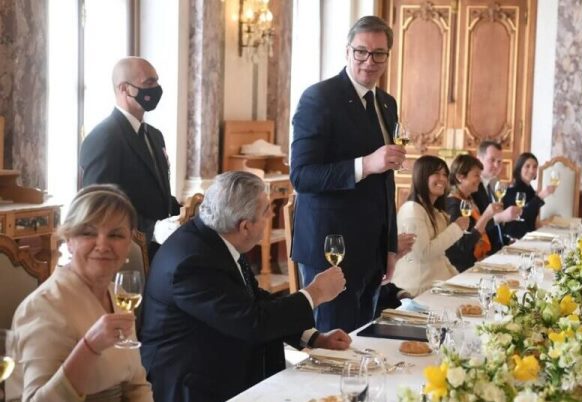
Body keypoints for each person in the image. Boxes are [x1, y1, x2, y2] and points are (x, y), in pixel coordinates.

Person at [139, 171, 350, 402]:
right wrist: (314, 293)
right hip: (194, 384)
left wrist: (312, 338)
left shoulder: (216, 237)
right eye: (266, 210)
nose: (272, 214)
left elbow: (252, 298)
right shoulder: (192, 263)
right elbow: (252, 322)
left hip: (221, 361)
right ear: (245, 226)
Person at [290, 16, 406, 332]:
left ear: (388, 56)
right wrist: (365, 164)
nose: (369, 61)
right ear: (347, 51)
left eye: (379, 54)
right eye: (361, 52)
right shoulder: (319, 98)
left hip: (372, 249)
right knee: (334, 345)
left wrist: (389, 246)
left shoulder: (387, 103)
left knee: (364, 339)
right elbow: (301, 176)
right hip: (331, 249)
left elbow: (386, 181)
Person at [12, 185, 152, 401]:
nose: (102, 245)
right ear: (68, 241)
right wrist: (89, 347)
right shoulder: (43, 307)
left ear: (129, 243)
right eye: (88, 233)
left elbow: (137, 385)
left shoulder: (119, 295)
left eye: (116, 235)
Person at [80, 57, 180, 259]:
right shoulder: (104, 137)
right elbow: (99, 207)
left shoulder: (154, 135)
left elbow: (156, 192)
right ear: (124, 89)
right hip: (126, 252)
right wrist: (152, 229)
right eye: (149, 83)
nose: (156, 89)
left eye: (157, 82)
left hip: (160, 250)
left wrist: (185, 213)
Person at [390, 156, 469, 295]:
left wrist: (457, 278)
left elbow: (440, 255)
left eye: (445, 174)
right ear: (421, 176)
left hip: (435, 284)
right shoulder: (412, 210)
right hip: (417, 289)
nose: (442, 179)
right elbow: (423, 254)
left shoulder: (433, 211)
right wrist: (456, 229)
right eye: (436, 173)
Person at [445, 155, 515, 272]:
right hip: (462, 269)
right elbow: (462, 245)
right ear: (460, 177)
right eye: (476, 175)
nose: (480, 179)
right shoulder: (453, 204)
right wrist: (486, 216)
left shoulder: (469, 198)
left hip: (479, 260)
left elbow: (481, 229)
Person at [473, 140, 520, 246]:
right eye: (492, 160)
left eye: (499, 161)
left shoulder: (494, 183)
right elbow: (475, 226)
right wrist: (501, 217)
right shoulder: (473, 187)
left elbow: (498, 226)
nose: (496, 165)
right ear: (478, 160)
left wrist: (507, 241)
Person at [502, 152, 557, 239]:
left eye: (534, 167)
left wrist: (544, 226)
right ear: (519, 168)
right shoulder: (513, 189)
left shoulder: (529, 189)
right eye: (527, 166)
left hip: (528, 235)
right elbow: (522, 215)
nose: (531, 170)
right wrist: (540, 196)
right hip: (515, 238)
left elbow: (531, 219)